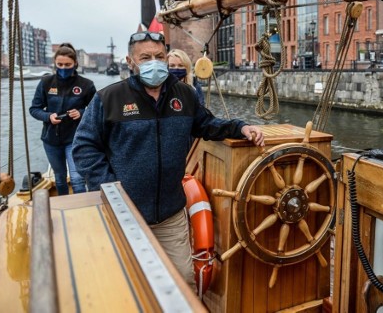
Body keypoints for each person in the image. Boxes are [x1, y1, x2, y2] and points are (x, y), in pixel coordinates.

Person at [72, 31, 264, 289]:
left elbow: (206, 124)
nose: (154, 62)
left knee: (182, 280)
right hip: (125, 213)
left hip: (171, 215)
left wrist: (240, 127)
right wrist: (109, 187)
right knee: (129, 284)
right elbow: (84, 146)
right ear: (131, 62)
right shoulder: (109, 98)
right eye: (146, 57)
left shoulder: (184, 94)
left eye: (159, 56)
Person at [29, 43, 96, 195]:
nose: (63, 68)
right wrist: (48, 116)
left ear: (75, 64)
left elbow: (96, 111)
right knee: (59, 178)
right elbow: (34, 109)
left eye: (68, 64)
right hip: (51, 139)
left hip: (75, 138)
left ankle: (80, 207)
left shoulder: (86, 85)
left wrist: (81, 112)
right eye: (60, 64)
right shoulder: (46, 83)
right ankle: (63, 204)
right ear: (55, 64)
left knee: (77, 178)